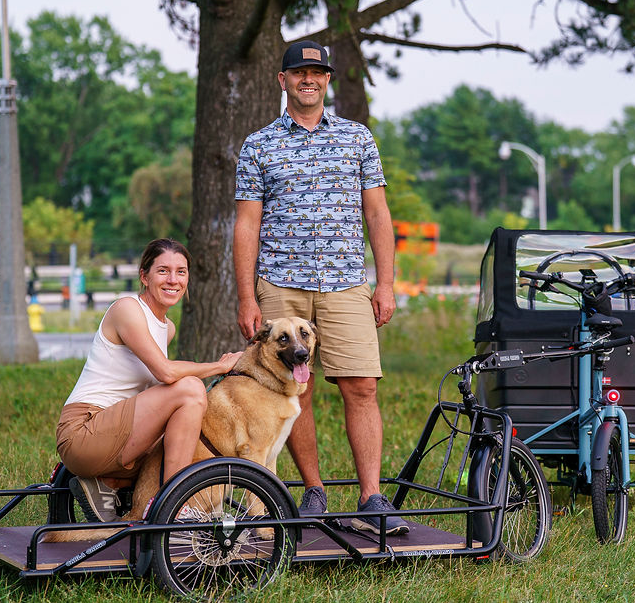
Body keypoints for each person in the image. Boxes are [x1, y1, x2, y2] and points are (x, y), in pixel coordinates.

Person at [233, 40, 408, 535]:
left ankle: (372, 499)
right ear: (282, 80)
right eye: (299, 72)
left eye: (317, 72)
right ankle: (314, 492)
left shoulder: (357, 139)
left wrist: (386, 282)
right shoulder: (258, 144)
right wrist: (247, 296)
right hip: (280, 284)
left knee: (361, 386)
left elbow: (377, 212)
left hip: (346, 285)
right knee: (295, 390)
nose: (308, 79)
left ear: (328, 79)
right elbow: (247, 224)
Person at [56, 238, 242, 522]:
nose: (173, 280)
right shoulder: (127, 309)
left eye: (181, 271)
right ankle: (174, 504)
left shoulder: (167, 328)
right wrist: (220, 365)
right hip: (85, 430)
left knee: (184, 423)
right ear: (144, 276)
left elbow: (160, 396)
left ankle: (109, 485)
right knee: (191, 389)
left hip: (119, 436)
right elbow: (165, 372)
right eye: (163, 271)